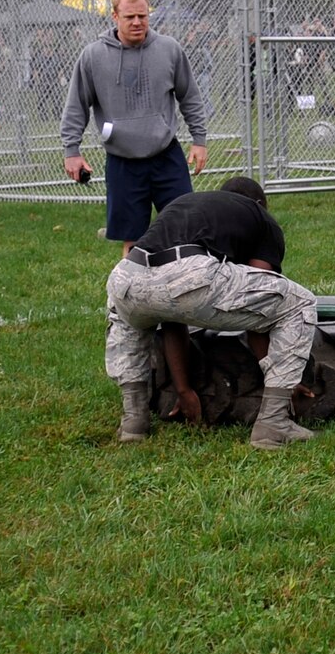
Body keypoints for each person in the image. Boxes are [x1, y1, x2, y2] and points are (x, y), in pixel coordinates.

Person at [104, 176, 319, 450]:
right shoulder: (261, 218)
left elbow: (173, 315)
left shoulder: (185, 206)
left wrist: (183, 389)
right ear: (259, 204)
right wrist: (283, 384)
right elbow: (259, 315)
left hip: (126, 275)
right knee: (297, 303)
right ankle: (273, 423)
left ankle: (134, 422)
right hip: (187, 273)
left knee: (130, 324)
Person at [61, 0, 209, 259]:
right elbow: (76, 106)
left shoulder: (169, 50)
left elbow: (190, 96)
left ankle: (187, 291)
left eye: (143, 16)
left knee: (186, 228)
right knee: (133, 239)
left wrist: (199, 140)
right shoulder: (93, 56)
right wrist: (72, 151)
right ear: (115, 17)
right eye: (130, 17)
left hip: (166, 156)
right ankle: (129, 297)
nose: (138, 22)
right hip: (123, 161)